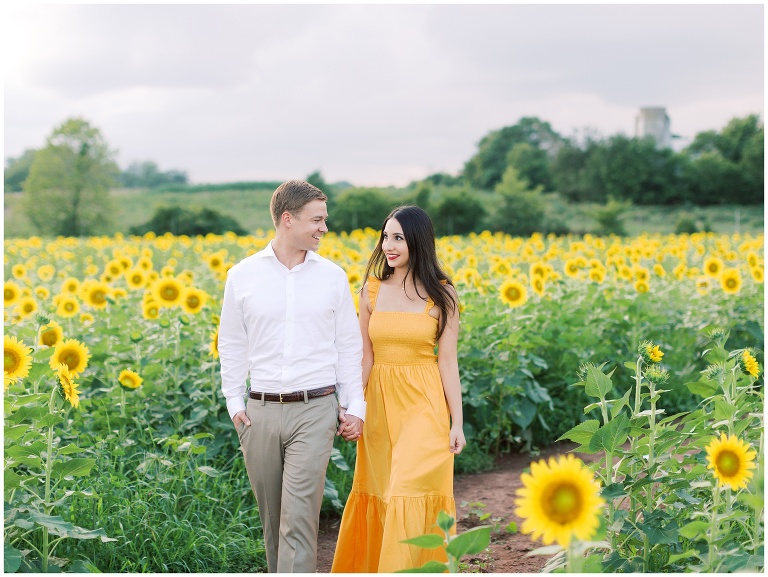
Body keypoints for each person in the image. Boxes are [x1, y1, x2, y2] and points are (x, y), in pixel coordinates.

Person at [218, 180, 365, 573]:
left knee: (298, 521)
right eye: (317, 220)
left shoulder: (332, 276)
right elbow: (231, 343)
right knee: (272, 524)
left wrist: (356, 406)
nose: (324, 228)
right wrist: (234, 403)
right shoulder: (242, 275)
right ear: (288, 219)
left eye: (324, 220)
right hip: (259, 413)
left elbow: (349, 345)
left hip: (315, 410)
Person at [331, 205, 466, 573]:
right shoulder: (371, 290)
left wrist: (457, 422)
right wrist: (352, 407)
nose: (388, 246)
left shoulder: (443, 295)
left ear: (418, 241)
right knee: (381, 490)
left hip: (424, 403)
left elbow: (448, 362)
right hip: (378, 404)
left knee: (409, 488)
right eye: (385, 236)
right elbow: (364, 357)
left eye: (398, 238)